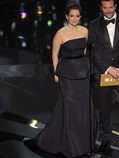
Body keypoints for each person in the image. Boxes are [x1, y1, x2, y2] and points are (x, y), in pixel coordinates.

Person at [24, 1, 91, 158]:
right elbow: (54, 54)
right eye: (72, 16)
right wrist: (56, 73)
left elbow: (86, 50)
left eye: (77, 16)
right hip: (66, 73)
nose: (74, 19)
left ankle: (81, 143)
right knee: (68, 107)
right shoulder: (60, 33)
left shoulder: (85, 31)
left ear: (80, 17)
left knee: (81, 109)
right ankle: (69, 145)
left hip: (83, 73)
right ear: (67, 16)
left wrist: (86, 67)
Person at [88, 0, 119, 156]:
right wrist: (108, 69)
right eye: (105, 8)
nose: (108, 11)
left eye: (110, 7)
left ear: (115, 6)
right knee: (103, 107)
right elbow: (94, 51)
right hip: (104, 72)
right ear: (101, 7)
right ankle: (106, 139)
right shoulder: (94, 25)